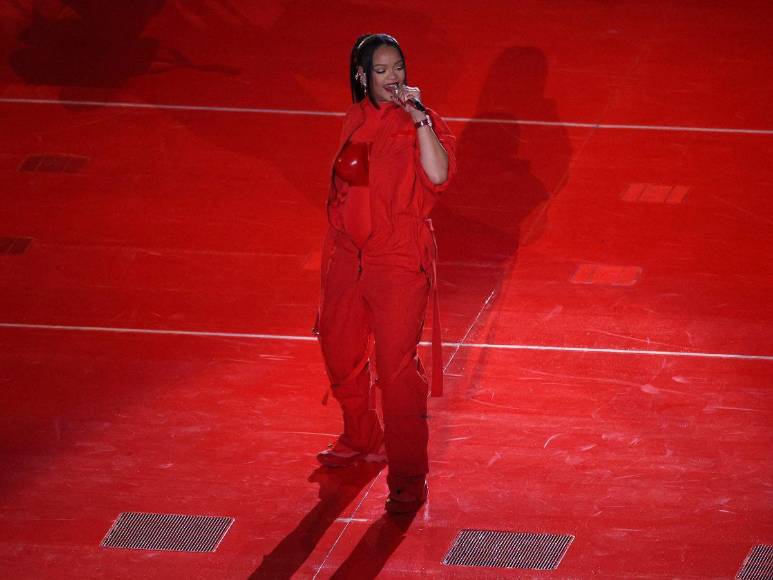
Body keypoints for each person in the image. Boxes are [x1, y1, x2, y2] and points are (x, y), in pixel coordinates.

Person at [313, 33, 456, 514]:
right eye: (382, 70)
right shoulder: (354, 118)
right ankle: (361, 437)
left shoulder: (423, 121)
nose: (394, 78)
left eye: (399, 67)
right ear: (362, 77)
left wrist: (420, 121)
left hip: (396, 258)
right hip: (346, 256)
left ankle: (408, 476)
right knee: (337, 347)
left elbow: (438, 176)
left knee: (395, 371)